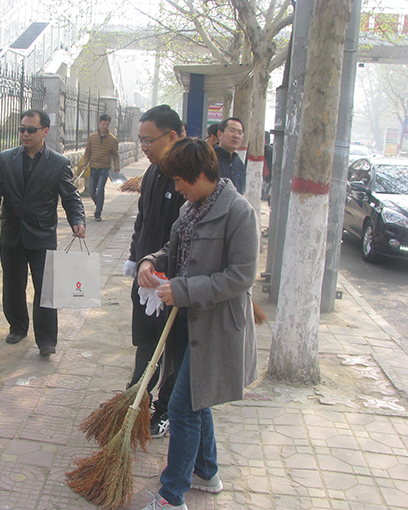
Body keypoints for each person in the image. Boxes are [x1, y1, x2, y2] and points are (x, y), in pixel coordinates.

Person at [137, 137, 259, 510]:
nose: (176, 188)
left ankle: (172, 497)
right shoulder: (191, 208)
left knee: (181, 407)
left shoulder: (239, 213)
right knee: (195, 399)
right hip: (187, 322)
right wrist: (149, 261)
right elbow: (176, 252)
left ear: (203, 174)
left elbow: (241, 277)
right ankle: (207, 473)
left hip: (216, 327)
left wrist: (184, 290)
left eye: (180, 181)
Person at [0, 109, 86, 355]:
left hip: (42, 235)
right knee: (13, 284)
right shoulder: (6, 158)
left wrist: (77, 221)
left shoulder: (59, 163)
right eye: (22, 129)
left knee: (46, 287)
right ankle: (17, 326)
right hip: (12, 233)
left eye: (31, 130)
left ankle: (47, 340)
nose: (25, 134)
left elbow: (71, 197)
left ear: (45, 131)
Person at [124, 105, 186, 439]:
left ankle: (164, 411)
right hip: (145, 279)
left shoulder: (187, 176)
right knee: (146, 344)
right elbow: (143, 220)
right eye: (140, 140)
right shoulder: (150, 173)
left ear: (172, 136)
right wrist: (135, 259)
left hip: (173, 285)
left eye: (149, 140)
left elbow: (186, 237)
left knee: (172, 351)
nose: (144, 147)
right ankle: (136, 399)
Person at [81, 114, 120, 221]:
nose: (105, 126)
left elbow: (116, 155)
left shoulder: (113, 140)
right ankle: (99, 204)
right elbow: (87, 152)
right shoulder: (92, 137)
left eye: (107, 124)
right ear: (99, 123)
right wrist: (84, 164)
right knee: (92, 191)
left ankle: (98, 213)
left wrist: (116, 167)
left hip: (104, 167)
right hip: (93, 166)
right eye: (103, 124)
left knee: (100, 189)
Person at [214, 117, 246, 194]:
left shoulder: (239, 163)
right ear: (220, 134)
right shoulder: (209, 158)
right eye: (232, 131)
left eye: (240, 133)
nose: (236, 136)